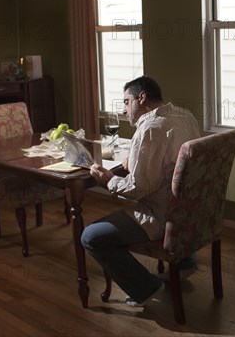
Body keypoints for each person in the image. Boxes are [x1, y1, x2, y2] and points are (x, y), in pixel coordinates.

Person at [81, 76, 200, 306]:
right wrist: (134, 162)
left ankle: (145, 286)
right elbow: (169, 163)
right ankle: (185, 262)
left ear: (142, 98)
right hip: (191, 210)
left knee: (90, 236)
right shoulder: (186, 115)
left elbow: (138, 189)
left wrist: (109, 180)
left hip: (162, 216)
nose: (124, 110)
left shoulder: (149, 129)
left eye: (126, 102)